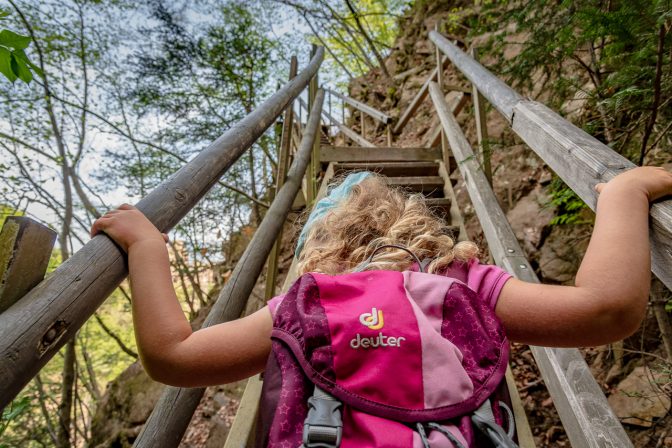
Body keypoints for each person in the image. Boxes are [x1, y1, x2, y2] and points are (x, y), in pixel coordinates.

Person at [90, 166, 672, 388]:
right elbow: (607, 308)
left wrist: (147, 246)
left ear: (318, 245)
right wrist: (626, 192)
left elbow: (174, 356)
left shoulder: (305, 301)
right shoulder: (461, 276)